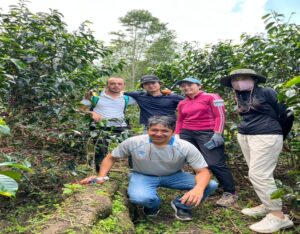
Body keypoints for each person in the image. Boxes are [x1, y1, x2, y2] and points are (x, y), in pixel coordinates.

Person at [80, 116, 218, 221]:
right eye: (154, 130)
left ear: (173, 131)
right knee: (141, 198)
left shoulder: (184, 146)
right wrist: (101, 176)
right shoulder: (135, 142)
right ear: (148, 130)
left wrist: (198, 189)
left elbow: (203, 171)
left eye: (164, 130)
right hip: (143, 175)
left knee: (209, 185)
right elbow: (111, 157)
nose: (159, 134)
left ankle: (181, 206)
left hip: (174, 176)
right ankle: (153, 205)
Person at [220, 68, 294, 233]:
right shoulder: (239, 95)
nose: (239, 81)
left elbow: (287, 114)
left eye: (244, 77)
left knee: (258, 174)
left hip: (266, 135)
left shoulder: (267, 92)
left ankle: (278, 216)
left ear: (254, 79)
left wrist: (281, 135)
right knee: (260, 173)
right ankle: (267, 205)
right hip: (246, 135)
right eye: (235, 79)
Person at [174, 77, 237, 207]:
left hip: (207, 133)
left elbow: (220, 115)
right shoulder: (182, 103)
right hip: (187, 133)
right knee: (196, 162)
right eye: (183, 86)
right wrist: (177, 135)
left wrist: (218, 133)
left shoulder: (212, 97)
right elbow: (180, 120)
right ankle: (207, 186)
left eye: (190, 84)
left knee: (215, 162)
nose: (186, 87)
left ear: (199, 85)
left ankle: (230, 192)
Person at [81, 77, 136, 172]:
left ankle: (136, 172)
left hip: (121, 126)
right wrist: (92, 113)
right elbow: (81, 108)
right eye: (113, 83)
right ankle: (102, 176)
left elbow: (148, 98)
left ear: (123, 86)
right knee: (101, 152)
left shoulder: (127, 98)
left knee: (132, 149)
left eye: (119, 84)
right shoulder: (95, 96)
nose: (116, 86)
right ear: (107, 85)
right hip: (100, 127)